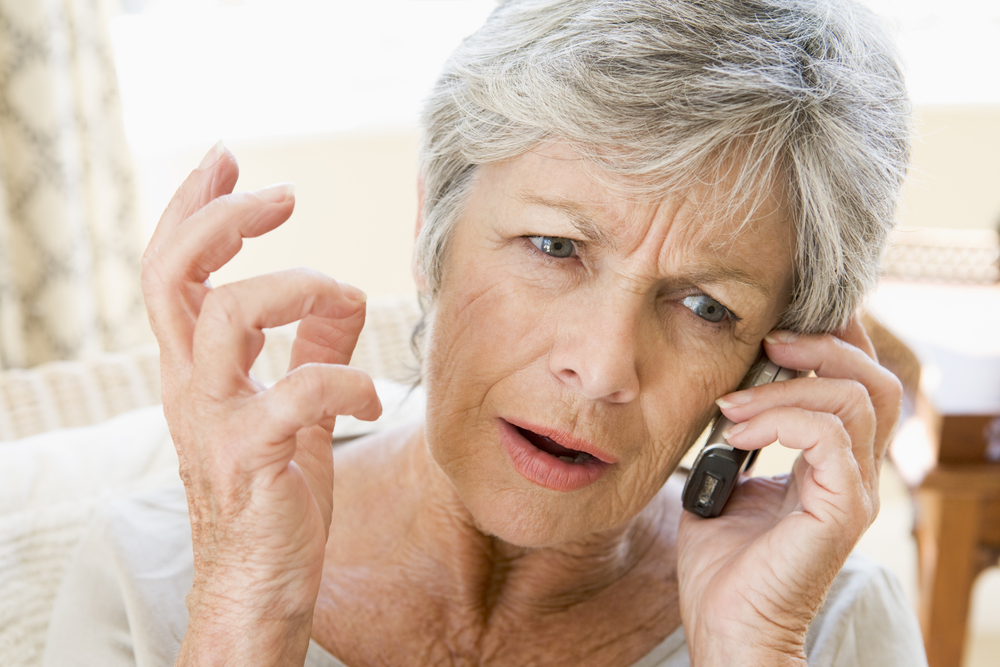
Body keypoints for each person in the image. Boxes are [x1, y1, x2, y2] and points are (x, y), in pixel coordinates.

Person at [44, 0, 927, 665]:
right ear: (437, 225)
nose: (601, 366)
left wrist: (750, 650)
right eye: (555, 246)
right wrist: (250, 618)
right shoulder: (157, 573)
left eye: (706, 306)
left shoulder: (830, 623)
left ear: (780, 357)